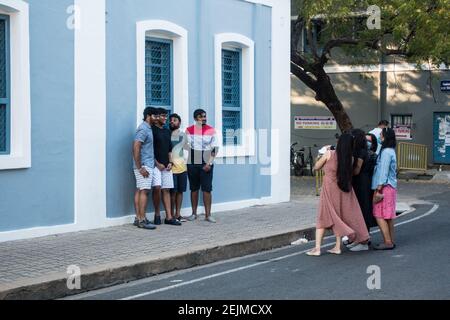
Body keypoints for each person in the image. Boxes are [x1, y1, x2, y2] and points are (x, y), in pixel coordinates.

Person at [306, 133, 370, 256]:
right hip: (343, 189)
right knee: (339, 216)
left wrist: (321, 154)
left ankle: (317, 248)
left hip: (329, 189)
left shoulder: (329, 154)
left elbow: (316, 167)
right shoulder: (350, 158)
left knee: (322, 216)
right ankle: (337, 246)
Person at [185, 109, 219, 223]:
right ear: (195, 118)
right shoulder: (189, 130)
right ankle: (193, 213)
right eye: (201, 117)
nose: (204, 118)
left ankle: (208, 215)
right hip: (193, 162)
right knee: (194, 188)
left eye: (204, 116)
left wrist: (209, 163)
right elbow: (187, 147)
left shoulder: (211, 130)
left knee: (207, 189)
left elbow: (214, 148)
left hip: (206, 162)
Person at [348, 129, 378, 251]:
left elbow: (357, 170)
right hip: (365, 182)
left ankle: (364, 241)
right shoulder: (365, 151)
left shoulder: (360, 152)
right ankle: (360, 238)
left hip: (361, 183)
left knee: (362, 210)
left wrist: (346, 173)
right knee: (362, 209)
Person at [151, 108, 181, 226]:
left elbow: (170, 149)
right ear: (157, 117)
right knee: (157, 188)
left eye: (166, 116)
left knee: (166, 189)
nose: (165, 118)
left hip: (167, 166)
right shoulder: (152, 130)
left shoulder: (167, 131)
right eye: (163, 116)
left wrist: (170, 162)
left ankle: (169, 217)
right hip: (155, 165)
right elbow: (149, 149)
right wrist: (157, 163)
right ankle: (157, 214)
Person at [372, 127, 398, 250]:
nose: (379, 137)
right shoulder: (391, 150)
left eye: (381, 135)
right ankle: (391, 240)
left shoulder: (386, 152)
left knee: (379, 215)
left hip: (385, 187)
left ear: (385, 137)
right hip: (390, 187)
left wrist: (378, 188)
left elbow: (384, 171)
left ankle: (387, 242)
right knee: (388, 216)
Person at [132, 107, 157, 230]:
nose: (157, 118)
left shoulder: (148, 128)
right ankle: (142, 220)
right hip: (144, 165)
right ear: (148, 115)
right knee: (144, 191)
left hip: (146, 164)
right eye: (155, 116)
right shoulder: (143, 128)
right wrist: (140, 167)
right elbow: (136, 146)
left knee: (140, 189)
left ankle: (138, 218)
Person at [169, 113, 188, 223]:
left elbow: (187, 149)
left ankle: (178, 214)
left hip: (182, 168)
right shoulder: (167, 134)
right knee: (173, 192)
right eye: (171, 120)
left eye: (175, 120)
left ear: (179, 123)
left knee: (180, 191)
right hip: (171, 168)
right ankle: (170, 215)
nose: (172, 122)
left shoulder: (183, 135)